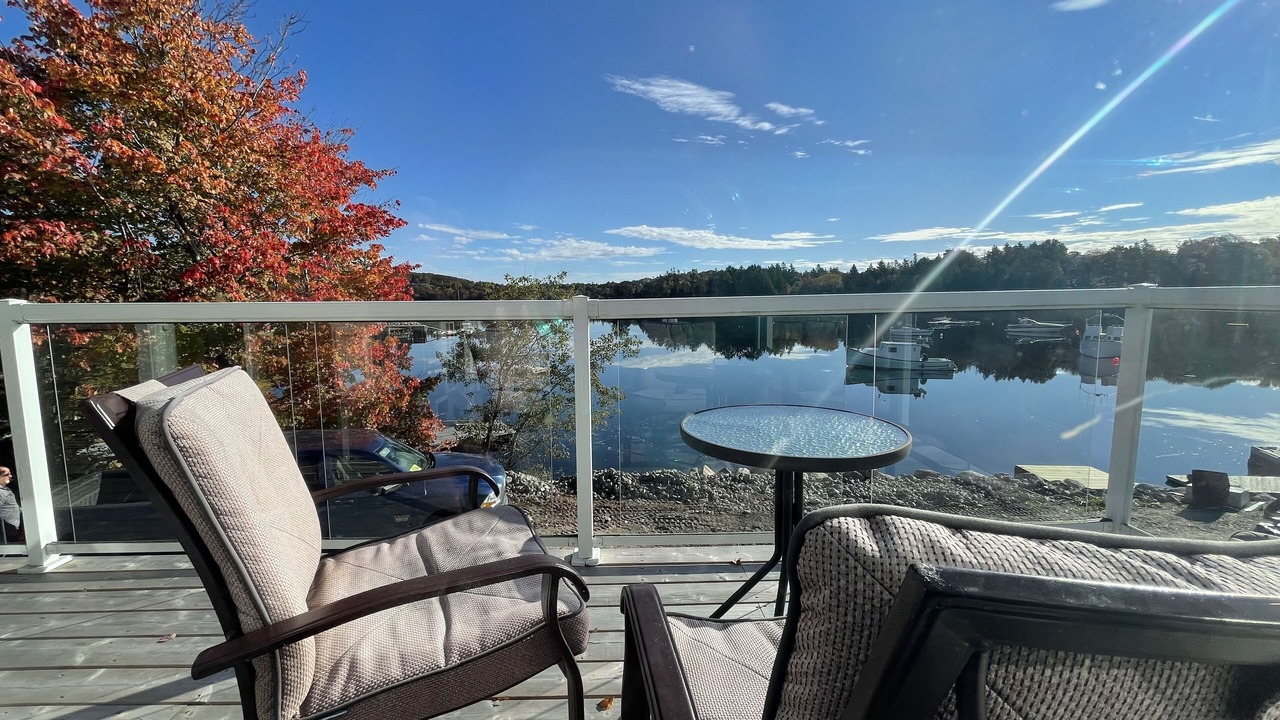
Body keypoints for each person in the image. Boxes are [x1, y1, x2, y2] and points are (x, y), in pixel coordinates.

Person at [0, 466, 23, 543]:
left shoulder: (6, 489)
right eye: (7, 474)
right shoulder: (1, 492)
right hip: (8, 529)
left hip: (15, 527)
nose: (10, 476)